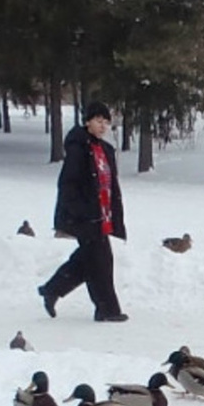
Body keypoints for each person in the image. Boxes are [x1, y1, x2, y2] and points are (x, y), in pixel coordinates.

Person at [38, 100, 128, 323]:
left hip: (102, 214)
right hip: (84, 216)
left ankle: (52, 289)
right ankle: (107, 310)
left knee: (88, 260)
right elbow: (68, 183)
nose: (103, 126)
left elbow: (110, 184)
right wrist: (80, 211)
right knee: (101, 260)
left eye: (106, 122)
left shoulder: (105, 149)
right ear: (87, 121)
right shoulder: (79, 147)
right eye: (98, 120)